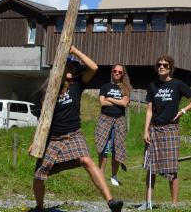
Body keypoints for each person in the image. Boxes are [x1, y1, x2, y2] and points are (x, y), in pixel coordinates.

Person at [32, 46, 123, 212]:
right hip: (53, 139)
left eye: (74, 68)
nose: (73, 70)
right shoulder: (47, 91)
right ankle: (39, 207)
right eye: (69, 66)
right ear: (60, 68)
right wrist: (36, 141)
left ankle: (111, 202)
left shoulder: (77, 84)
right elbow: (42, 120)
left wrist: (74, 51)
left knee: (86, 160)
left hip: (73, 134)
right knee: (39, 174)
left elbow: (94, 67)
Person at [141, 55, 191, 209]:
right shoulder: (152, 86)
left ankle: (174, 204)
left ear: (170, 68)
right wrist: (145, 130)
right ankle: (148, 202)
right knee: (151, 167)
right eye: (159, 64)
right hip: (154, 129)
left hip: (170, 129)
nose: (161, 67)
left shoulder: (177, 84)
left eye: (165, 65)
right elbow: (149, 110)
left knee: (172, 168)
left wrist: (182, 111)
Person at [95, 63, 131, 187]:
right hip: (105, 119)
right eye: (115, 71)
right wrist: (118, 102)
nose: (117, 73)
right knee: (104, 148)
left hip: (119, 120)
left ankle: (114, 176)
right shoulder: (105, 86)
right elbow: (102, 103)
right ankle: (100, 175)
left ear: (123, 74)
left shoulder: (125, 88)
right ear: (112, 72)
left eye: (119, 72)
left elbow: (124, 104)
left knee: (117, 149)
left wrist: (109, 99)